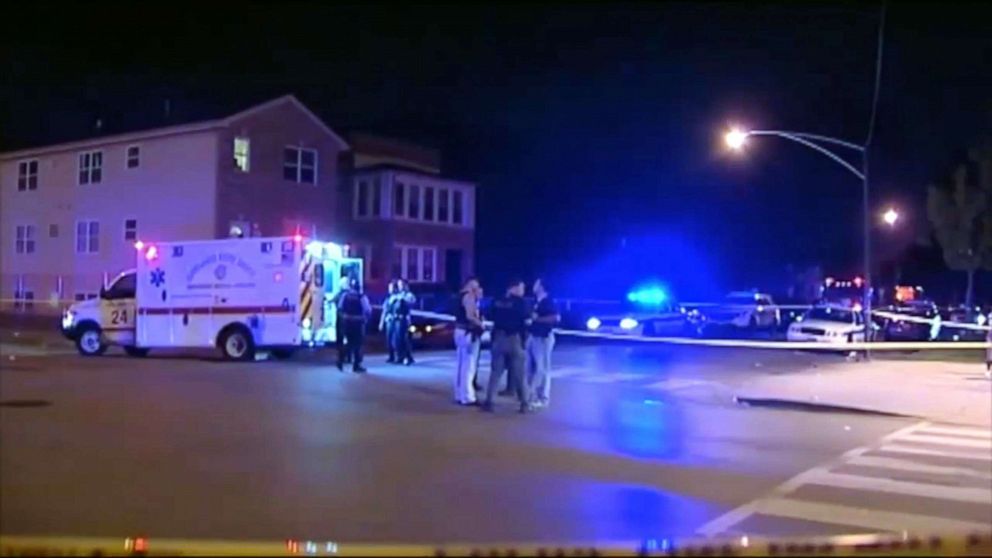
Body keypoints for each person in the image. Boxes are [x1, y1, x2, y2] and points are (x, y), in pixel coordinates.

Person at [482, 278, 531, 413]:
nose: (522, 291)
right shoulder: (521, 303)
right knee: (519, 373)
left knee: (495, 372)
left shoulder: (496, 301)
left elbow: (487, 315)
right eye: (521, 288)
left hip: (498, 338)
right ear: (513, 288)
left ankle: (489, 401)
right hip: (514, 338)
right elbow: (527, 321)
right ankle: (524, 403)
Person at [526, 278, 560, 408]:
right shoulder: (536, 301)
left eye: (536, 283)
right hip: (533, 336)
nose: (534, 285)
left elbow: (556, 317)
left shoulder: (549, 301)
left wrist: (538, 319)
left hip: (543, 337)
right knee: (530, 367)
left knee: (542, 368)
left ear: (541, 287)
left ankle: (543, 397)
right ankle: (532, 394)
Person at [453, 277, 485, 406]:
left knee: (461, 364)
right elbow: (470, 316)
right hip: (468, 333)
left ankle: (459, 393)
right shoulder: (468, 297)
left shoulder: (459, 296)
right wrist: (481, 324)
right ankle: (468, 396)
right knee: (469, 365)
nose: (477, 289)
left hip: (460, 331)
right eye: (476, 286)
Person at [336, 276, 371, 373]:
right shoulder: (361, 297)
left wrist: (344, 319)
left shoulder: (345, 296)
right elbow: (367, 310)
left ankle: (340, 360)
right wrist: (366, 319)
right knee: (358, 345)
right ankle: (356, 365)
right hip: (358, 323)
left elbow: (340, 308)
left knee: (349, 343)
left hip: (347, 323)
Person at [392, 279, 417, 365]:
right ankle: (400, 357)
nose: (400, 286)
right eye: (399, 284)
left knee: (405, 339)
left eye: (401, 284)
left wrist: (403, 299)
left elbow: (412, 301)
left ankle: (408, 357)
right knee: (397, 339)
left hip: (404, 320)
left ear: (405, 285)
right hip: (396, 320)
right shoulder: (397, 295)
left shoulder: (409, 295)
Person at [379, 280, 399, 363]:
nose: (389, 289)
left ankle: (398, 356)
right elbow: (384, 311)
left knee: (396, 340)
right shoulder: (388, 299)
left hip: (396, 321)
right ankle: (391, 356)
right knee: (389, 339)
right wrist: (381, 322)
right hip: (389, 321)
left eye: (391, 287)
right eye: (389, 287)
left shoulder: (398, 298)